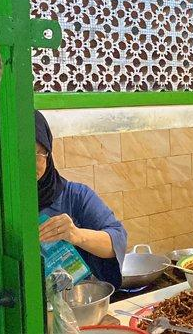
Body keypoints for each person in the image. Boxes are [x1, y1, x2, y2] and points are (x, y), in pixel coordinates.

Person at [35, 110, 127, 288]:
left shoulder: (75, 196)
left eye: (38, 154)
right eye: (20, 154)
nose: (29, 164)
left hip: (75, 303)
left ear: (48, 153)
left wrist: (76, 235)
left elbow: (117, 239)